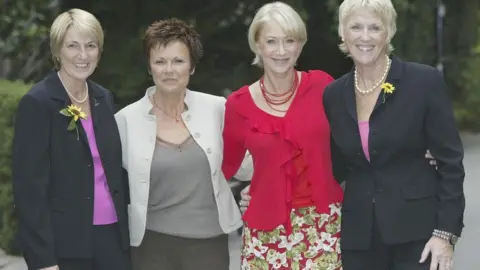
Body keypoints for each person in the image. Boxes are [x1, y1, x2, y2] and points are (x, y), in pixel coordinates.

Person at [322, 0, 465, 269]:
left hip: (418, 237)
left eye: (375, 28)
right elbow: (335, 167)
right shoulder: (333, 94)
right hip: (359, 239)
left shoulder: (423, 82)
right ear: (343, 33)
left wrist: (445, 234)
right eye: (356, 27)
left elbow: (451, 165)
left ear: (388, 33)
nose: (365, 37)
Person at [115, 18, 252, 270]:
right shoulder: (124, 121)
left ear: (192, 67)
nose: (169, 70)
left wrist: (254, 190)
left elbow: (250, 164)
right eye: (160, 61)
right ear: (149, 67)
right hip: (150, 247)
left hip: (210, 244)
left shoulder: (219, 109)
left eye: (178, 61)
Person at [222, 2, 344, 269]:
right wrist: (244, 197)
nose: (280, 51)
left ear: (300, 45)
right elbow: (223, 167)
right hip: (265, 233)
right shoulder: (238, 104)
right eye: (271, 41)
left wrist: (419, 150)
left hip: (322, 226)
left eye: (289, 41)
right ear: (257, 45)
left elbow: (358, 137)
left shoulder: (324, 86)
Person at [11, 9, 131, 270]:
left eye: (91, 45)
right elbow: (29, 190)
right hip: (66, 245)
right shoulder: (38, 103)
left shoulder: (103, 98)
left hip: (112, 239)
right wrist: (43, 260)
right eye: (73, 46)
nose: (83, 55)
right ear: (57, 50)